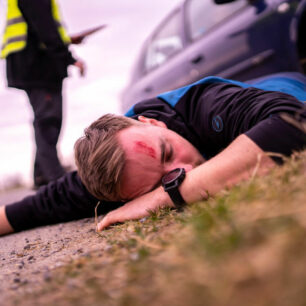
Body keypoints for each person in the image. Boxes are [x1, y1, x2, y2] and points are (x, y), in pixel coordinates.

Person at [0, 72, 305, 236]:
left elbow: (293, 124)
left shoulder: (204, 104)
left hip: (287, 84)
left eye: (167, 151)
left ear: (153, 123)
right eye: (164, 181)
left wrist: (162, 196)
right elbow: (26, 211)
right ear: (122, 197)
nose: (185, 168)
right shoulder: (109, 178)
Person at [1, 0, 85, 188]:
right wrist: (69, 58)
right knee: (49, 120)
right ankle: (56, 181)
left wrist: (68, 40)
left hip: (32, 63)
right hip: (39, 65)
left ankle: (42, 176)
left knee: (45, 119)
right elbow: (45, 27)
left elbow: (37, 26)